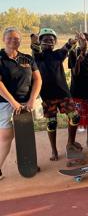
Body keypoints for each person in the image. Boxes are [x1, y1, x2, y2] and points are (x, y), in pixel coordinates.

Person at [31, 28, 81, 160]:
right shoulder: (38, 56)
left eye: (52, 40)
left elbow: (68, 46)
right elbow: (35, 49)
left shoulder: (59, 54)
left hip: (63, 93)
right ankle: (54, 151)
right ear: (40, 42)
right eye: (45, 40)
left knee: (75, 117)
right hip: (48, 95)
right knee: (52, 123)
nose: (49, 42)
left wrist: (74, 40)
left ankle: (70, 142)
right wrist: (35, 42)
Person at [0, 27, 42, 180]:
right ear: (4, 39)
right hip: (5, 103)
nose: (13, 41)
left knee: (25, 135)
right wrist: (13, 103)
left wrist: (32, 99)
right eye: (10, 38)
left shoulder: (27, 58)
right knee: (6, 136)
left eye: (17, 38)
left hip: (27, 103)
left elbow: (38, 79)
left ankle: (26, 162)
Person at [68, 32, 88, 149]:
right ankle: (71, 142)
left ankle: (87, 141)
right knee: (76, 118)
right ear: (78, 41)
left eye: (87, 39)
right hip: (78, 92)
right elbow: (75, 73)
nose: (85, 41)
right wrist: (78, 61)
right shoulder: (73, 53)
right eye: (82, 39)